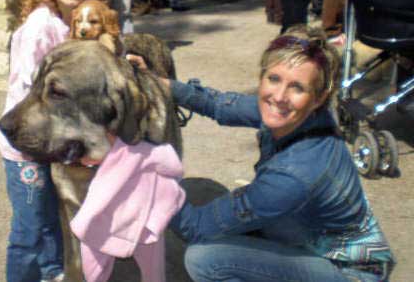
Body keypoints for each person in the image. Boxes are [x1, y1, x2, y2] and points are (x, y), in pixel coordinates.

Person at [161, 25, 395, 282]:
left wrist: (152, 181)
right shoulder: (296, 114)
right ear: (262, 77)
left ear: (318, 98)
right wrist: (162, 85)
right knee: (246, 222)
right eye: (273, 79)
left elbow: (195, 226)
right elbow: (219, 105)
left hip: (351, 272)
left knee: (205, 258)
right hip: (319, 237)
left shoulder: (293, 175)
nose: (279, 96)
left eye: (297, 87)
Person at [0, 0, 114, 282]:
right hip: (26, 145)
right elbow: (38, 98)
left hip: (53, 141)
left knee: (54, 220)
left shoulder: (76, 22)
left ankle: (53, 273)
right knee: (31, 229)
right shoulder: (41, 28)